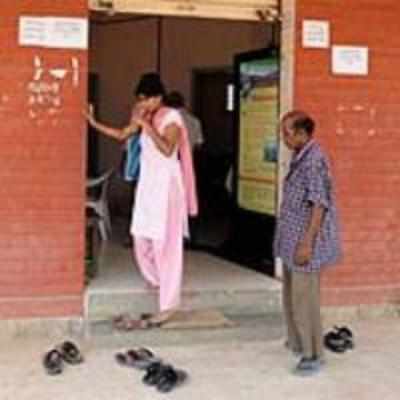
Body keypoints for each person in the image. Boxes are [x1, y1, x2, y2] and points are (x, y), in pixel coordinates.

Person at [84, 73, 198, 326]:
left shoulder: (172, 118)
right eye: (140, 101)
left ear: (157, 98)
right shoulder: (144, 115)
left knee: (165, 246)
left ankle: (168, 305)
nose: (141, 105)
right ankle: (160, 281)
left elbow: (169, 149)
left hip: (167, 188)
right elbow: (123, 135)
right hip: (149, 187)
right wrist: (94, 123)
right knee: (140, 238)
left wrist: (146, 126)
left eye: (145, 100)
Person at [274, 110, 342, 376]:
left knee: (305, 299)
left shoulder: (314, 160)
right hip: (292, 240)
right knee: (291, 294)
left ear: (302, 133)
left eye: (287, 133)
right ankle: (297, 342)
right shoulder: (299, 156)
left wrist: (306, 243)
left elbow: (319, 204)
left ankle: (312, 354)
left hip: (305, 242)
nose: (283, 138)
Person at [165, 91, 204, 248]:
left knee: (171, 202)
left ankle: (173, 236)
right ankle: (191, 236)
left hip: (170, 166)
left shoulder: (166, 121)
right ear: (184, 103)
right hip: (189, 165)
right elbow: (200, 144)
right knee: (190, 200)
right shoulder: (194, 121)